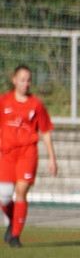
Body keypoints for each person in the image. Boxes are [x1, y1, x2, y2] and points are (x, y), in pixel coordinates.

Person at [0, 65, 56, 248]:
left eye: (29, 80)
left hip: (27, 153)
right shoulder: (4, 102)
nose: (26, 83)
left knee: (21, 191)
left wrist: (52, 158)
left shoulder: (36, 105)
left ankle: (15, 236)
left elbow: (45, 131)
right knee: (3, 196)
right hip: (7, 153)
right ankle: (14, 219)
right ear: (14, 80)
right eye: (22, 79)